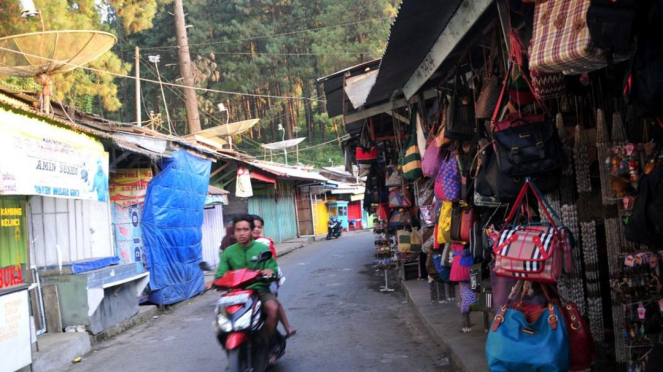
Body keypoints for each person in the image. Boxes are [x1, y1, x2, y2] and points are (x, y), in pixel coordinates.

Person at [215, 214, 280, 341]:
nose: (242, 233)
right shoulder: (228, 251)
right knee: (220, 317)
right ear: (234, 232)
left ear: (251, 231)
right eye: (238, 230)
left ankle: (266, 342)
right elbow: (221, 273)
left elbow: (273, 269)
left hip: (259, 290)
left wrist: (269, 271)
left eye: (245, 229)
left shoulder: (262, 248)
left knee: (274, 309)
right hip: (235, 293)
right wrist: (215, 281)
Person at [251, 215, 297, 338]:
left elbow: (272, 263)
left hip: (266, 280)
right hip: (246, 282)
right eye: (253, 226)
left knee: (273, 303)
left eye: (259, 227)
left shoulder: (264, 243)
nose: (256, 229)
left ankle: (286, 327)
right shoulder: (239, 245)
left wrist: (267, 272)